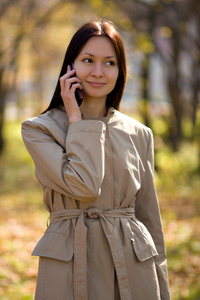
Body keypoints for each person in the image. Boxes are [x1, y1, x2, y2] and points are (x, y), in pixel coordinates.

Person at [21, 20, 171, 300]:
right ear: (70, 66)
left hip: (132, 267)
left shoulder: (139, 133)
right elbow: (85, 186)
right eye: (88, 60)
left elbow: (150, 217)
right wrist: (75, 119)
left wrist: (162, 287)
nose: (98, 72)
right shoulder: (40, 129)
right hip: (69, 268)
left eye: (110, 63)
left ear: (120, 69)